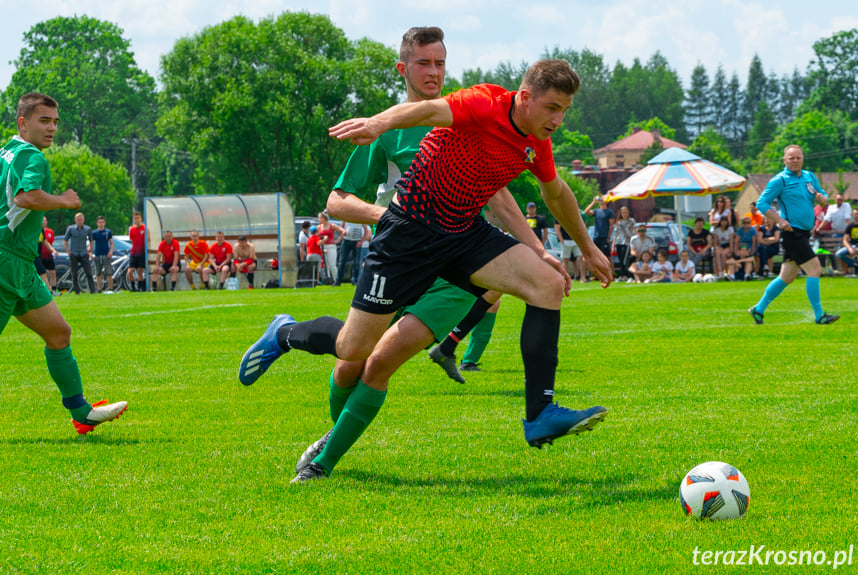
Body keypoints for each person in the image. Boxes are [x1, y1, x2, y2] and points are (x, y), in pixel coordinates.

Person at [241, 54, 613, 482]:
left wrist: (587, 248)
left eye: (565, 111)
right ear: (525, 97)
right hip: (409, 234)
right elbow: (425, 110)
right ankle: (283, 334)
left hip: (462, 233)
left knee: (548, 283)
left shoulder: (536, 142)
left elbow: (558, 194)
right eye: (552, 108)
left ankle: (540, 413)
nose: (558, 120)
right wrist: (379, 123)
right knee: (353, 349)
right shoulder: (485, 102)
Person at [0, 92, 127, 433]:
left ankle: (81, 412)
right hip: (6, 263)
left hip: (20, 266)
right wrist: (63, 200)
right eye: (44, 120)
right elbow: (25, 197)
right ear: (22, 123)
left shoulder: (5, 152)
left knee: (58, 333)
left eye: (55, 121)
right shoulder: (32, 157)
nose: (52, 128)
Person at [748, 145, 839, 325]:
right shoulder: (779, 180)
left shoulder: (809, 176)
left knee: (786, 277)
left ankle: (758, 309)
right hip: (792, 234)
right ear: (784, 160)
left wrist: (824, 198)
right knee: (815, 269)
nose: (795, 160)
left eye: (798, 157)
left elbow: (824, 195)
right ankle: (820, 315)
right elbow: (762, 203)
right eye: (791, 158)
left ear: (802, 158)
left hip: (804, 234)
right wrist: (779, 220)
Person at [63, 212, 96, 294]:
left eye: (81, 220)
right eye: (78, 220)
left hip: (83, 253)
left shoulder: (87, 229)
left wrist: (89, 248)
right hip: (73, 253)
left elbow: (92, 240)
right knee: (74, 273)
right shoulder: (71, 229)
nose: (80, 221)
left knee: (88, 272)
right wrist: (68, 251)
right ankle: (77, 291)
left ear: (83, 220)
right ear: (75, 220)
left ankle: (93, 290)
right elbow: (65, 240)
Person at [335, 220, 366, 286]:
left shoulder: (360, 218)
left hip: (356, 241)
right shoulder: (347, 217)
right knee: (342, 261)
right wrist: (343, 231)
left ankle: (354, 280)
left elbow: (366, 231)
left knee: (356, 263)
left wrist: (361, 241)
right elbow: (341, 227)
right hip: (346, 240)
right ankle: (338, 281)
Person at [316, 212, 343, 284]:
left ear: (324, 218)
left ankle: (336, 280)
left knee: (332, 264)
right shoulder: (319, 227)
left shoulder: (332, 225)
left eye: (320, 218)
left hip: (331, 246)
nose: (319, 219)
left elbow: (342, 231)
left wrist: (337, 240)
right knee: (326, 265)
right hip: (323, 247)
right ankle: (328, 280)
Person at [610, 205, 635, 280]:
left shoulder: (631, 221)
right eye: (623, 213)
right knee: (620, 259)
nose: (624, 214)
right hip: (619, 241)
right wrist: (613, 244)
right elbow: (616, 233)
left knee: (624, 258)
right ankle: (621, 275)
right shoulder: (618, 222)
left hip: (626, 241)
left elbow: (632, 231)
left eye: (626, 213)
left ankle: (626, 275)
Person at [836, 207, 858, 276]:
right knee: (838, 254)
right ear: (852, 215)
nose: (857, 216)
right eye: (855, 214)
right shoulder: (850, 226)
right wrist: (849, 248)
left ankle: (857, 264)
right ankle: (854, 263)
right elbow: (845, 239)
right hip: (852, 246)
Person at [91, 215, 114, 293]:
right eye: (99, 222)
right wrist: (90, 253)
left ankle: (110, 289)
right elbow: (91, 244)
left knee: (109, 273)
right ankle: (99, 289)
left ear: (105, 223)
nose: (101, 224)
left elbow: (111, 243)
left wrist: (111, 251)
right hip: (97, 255)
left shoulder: (108, 232)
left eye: (102, 222)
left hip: (106, 254)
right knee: (98, 273)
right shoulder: (94, 233)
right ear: (97, 223)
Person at [128, 210, 147, 292]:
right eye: (135, 218)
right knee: (130, 271)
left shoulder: (144, 228)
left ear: (141, 219)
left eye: (138, 218)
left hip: (141, 253)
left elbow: (147, 239)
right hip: (133, 252)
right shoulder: (132, 229)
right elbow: (132, 240)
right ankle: (133, 287)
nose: (137, 220)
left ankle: (139, 287)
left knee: (140, 271)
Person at [40, 216, 58, 293]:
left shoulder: (49, 231)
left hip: (48, 256)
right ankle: (46, 291)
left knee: (52, 273)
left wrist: (53, 250)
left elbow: (47, 242)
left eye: (45, 221)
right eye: (42, 220)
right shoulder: (35, 230)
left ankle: (53, 289)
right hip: (39, 256)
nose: (43, 222)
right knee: (42, 274)